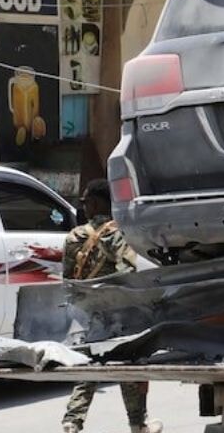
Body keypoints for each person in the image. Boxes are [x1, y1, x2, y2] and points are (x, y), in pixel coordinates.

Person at [62, 180, 163, 433]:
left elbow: (67, 278)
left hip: (88, 312)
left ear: (96, 203)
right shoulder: (117, 232)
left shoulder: (74, 236)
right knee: (128, 364)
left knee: (87, 365)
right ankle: (138, 424)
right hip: (116, 311)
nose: (84, 208)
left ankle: (72, 422)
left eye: (86, 203)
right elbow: (128, 270)